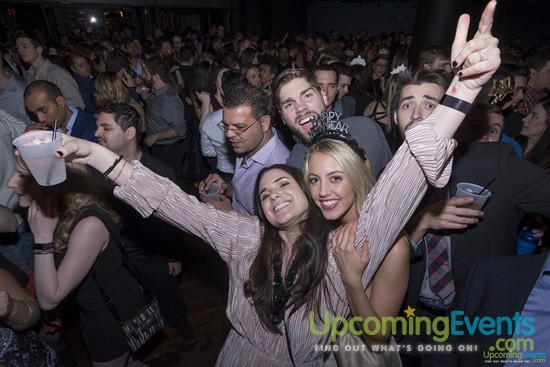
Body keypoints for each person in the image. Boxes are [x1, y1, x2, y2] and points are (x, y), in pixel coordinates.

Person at [54, 2, 500, 364]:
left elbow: (403, 177)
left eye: (287, 185)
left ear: (306, 199)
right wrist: (97, 154)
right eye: (265, 193)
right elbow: (174, 203)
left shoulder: (343, 245)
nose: (275, 194)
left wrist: (462, 92)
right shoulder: (243, 236)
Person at [391, 70, 550, 367]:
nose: (416, 114)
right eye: (406, 104)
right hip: (415, 317)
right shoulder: (390, 177)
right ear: (395, 118)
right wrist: (420, 223)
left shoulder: (495, 163)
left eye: (430, 104)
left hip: (477, 321)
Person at [7, 158, 147, 366]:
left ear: (51, 185)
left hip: (112, 314)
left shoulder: (88, 225)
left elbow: (48, 299)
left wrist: (42, 237)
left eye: (22, 176)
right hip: (95, 308)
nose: (11, 182)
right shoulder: (63, 214)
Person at [94, 103, 196, 343]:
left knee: (167, 293)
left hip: (150, 253)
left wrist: (173, 255)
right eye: (97, 127)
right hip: (113, 254)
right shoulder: (95, 166)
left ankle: (182, 324)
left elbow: (175, 221)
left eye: (105, 128)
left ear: (129, 133)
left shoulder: (160, 171)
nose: (97, 133)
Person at [273, 67, 391, 179]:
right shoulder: (294, 174)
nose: (300, 108)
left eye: (307, 96)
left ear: (324, 97)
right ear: (282, 117)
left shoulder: (368, 130)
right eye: (289, 104)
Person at [200, 82, 290, 215]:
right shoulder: (247, 144)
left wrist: (229, 214)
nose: (229, 134)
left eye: (240, 127)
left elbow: (272, 233)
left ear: (264, 123)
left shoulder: (280, 172)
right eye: (226, 126)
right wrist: (227, 186)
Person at [141, 58, 187, 177]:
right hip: (161, 148)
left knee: (172, 183)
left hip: (169, 150)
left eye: (145, 73)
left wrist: (154, 137)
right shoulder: (157, 92)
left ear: (156, 77)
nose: (142, 75)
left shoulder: (168, 99)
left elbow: (179, 130)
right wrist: (146, 99)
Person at [15, 32, 85, 110]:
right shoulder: (29, 75)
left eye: (25, 47)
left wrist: (51, 107)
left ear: (39, 49)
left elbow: (78, 103)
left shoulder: (56, 73)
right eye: (18, 47)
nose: (20, 51)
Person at [23, 80, 97, 142]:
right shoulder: (46, 131)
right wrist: (29, 140)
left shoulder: (93, 129)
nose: (40, 119)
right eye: (34, 113)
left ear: (60, 101)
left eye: (43, 110)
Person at [516, 98, 550, 168]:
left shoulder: (545, 167)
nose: (524, 119)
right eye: (529, 114)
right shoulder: (512, 144)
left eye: (534, 116)